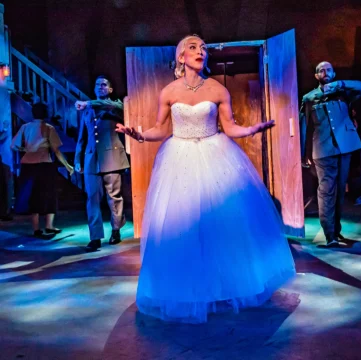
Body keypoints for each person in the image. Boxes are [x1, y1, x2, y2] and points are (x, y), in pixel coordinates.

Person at [116, 34, 296, 324]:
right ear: (181, 57)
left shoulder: (217, 89)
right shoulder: (169, 91)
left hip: (215, 154)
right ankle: (187, 288)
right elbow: (160, 130)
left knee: (221, 224)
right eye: (192, 47)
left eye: (203, 48)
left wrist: (253, 130)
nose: (200, 51)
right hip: (179, 158)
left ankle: (226, 285)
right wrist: (138, 135)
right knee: (184, 225)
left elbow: (231, 128)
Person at [299, 61, 361, 247]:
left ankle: (336, 230)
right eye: (320, 70)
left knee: (340, 191)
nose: (324, 72)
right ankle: (329, 235)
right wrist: (302, 152)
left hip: (344, 147)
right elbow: (303, 126)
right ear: (316, 76)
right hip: (322, 149)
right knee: (326, 191)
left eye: (328, 69)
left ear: (334, 73)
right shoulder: (309, 98)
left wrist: (340, 84)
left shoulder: (343, 92)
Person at [74, 76, 130, 252]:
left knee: (113, 197)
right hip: (92, 159)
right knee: (92, 198)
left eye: (104, 85)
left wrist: (89, 103)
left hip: (112, 156)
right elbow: (81, 138)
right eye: (97, 84)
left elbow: (117, 107)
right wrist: (77, 159)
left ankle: (116, 229)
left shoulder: (115, 106)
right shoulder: (87, 111)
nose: (100, 87)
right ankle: (95, 236)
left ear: (110, 90)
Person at [10, 102, 74, 237]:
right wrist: (68, 166)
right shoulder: (48, 128)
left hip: (28, 166)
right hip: (44, 165)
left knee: (32, 196)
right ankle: (49, 226)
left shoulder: (25, 127)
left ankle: (36, 229)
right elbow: (56, 150)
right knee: (49, 195)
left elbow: (14, 145)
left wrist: (25, 150)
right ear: (45, 113)